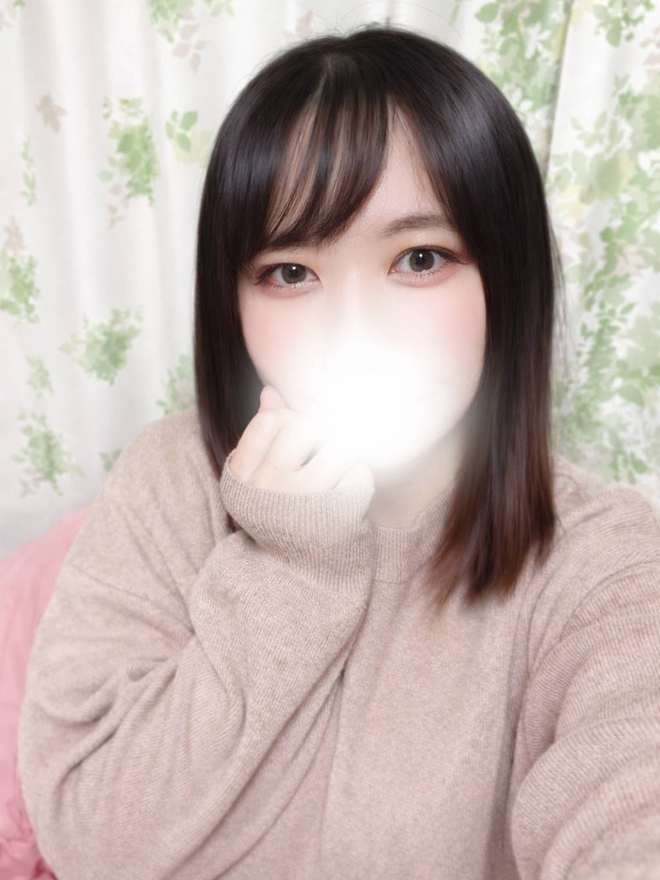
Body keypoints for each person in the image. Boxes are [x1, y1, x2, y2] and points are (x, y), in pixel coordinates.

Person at [17, 23, 660, 880]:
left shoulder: (601, 560)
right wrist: (291, 562)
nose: (355, 330)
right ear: (233, 302)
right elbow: (87, 834)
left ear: (505, 281)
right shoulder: (171, 477)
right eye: (290, 272)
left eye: (420, 258)